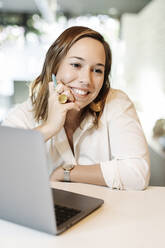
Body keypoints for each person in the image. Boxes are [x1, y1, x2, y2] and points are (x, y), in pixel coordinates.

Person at [2, 26, 150, 190]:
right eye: (76, 65)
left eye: (97, 70)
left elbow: (137, 174)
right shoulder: (26, 112)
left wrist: (66, 173)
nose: (86, 80)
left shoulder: (116, 102)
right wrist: (49, 127)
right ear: (54, 65)